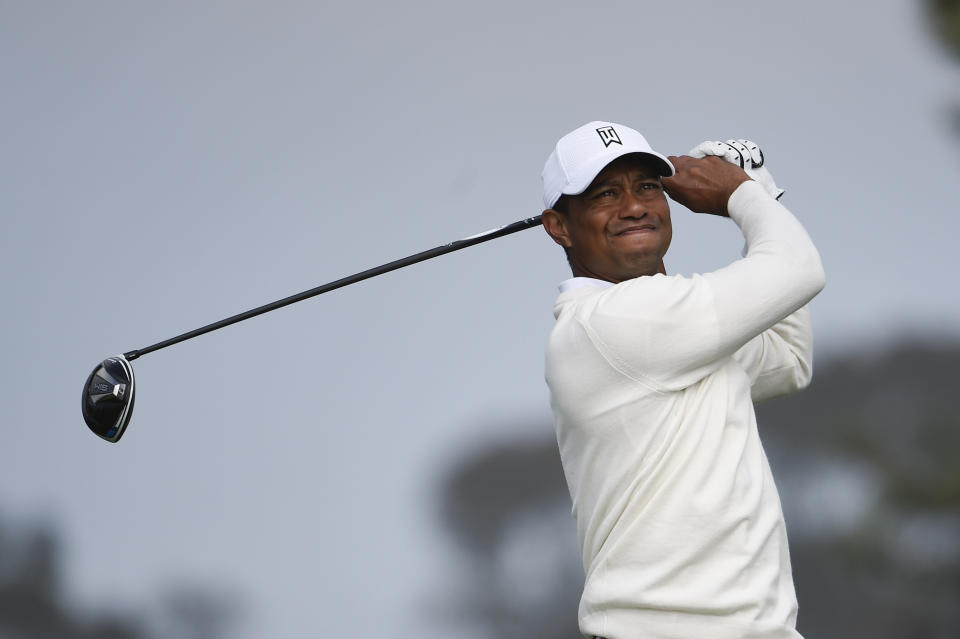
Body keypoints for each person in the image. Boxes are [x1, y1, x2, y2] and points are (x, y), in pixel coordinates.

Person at [540, 121, 825, 639]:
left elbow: (786, 358)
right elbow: (798, 269)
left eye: (648, 186)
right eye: (606, 193)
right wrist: (744, 193)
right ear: (559, 226)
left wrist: (757, 193)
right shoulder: (611, 321)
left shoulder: (677, 328)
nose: (634, 206)